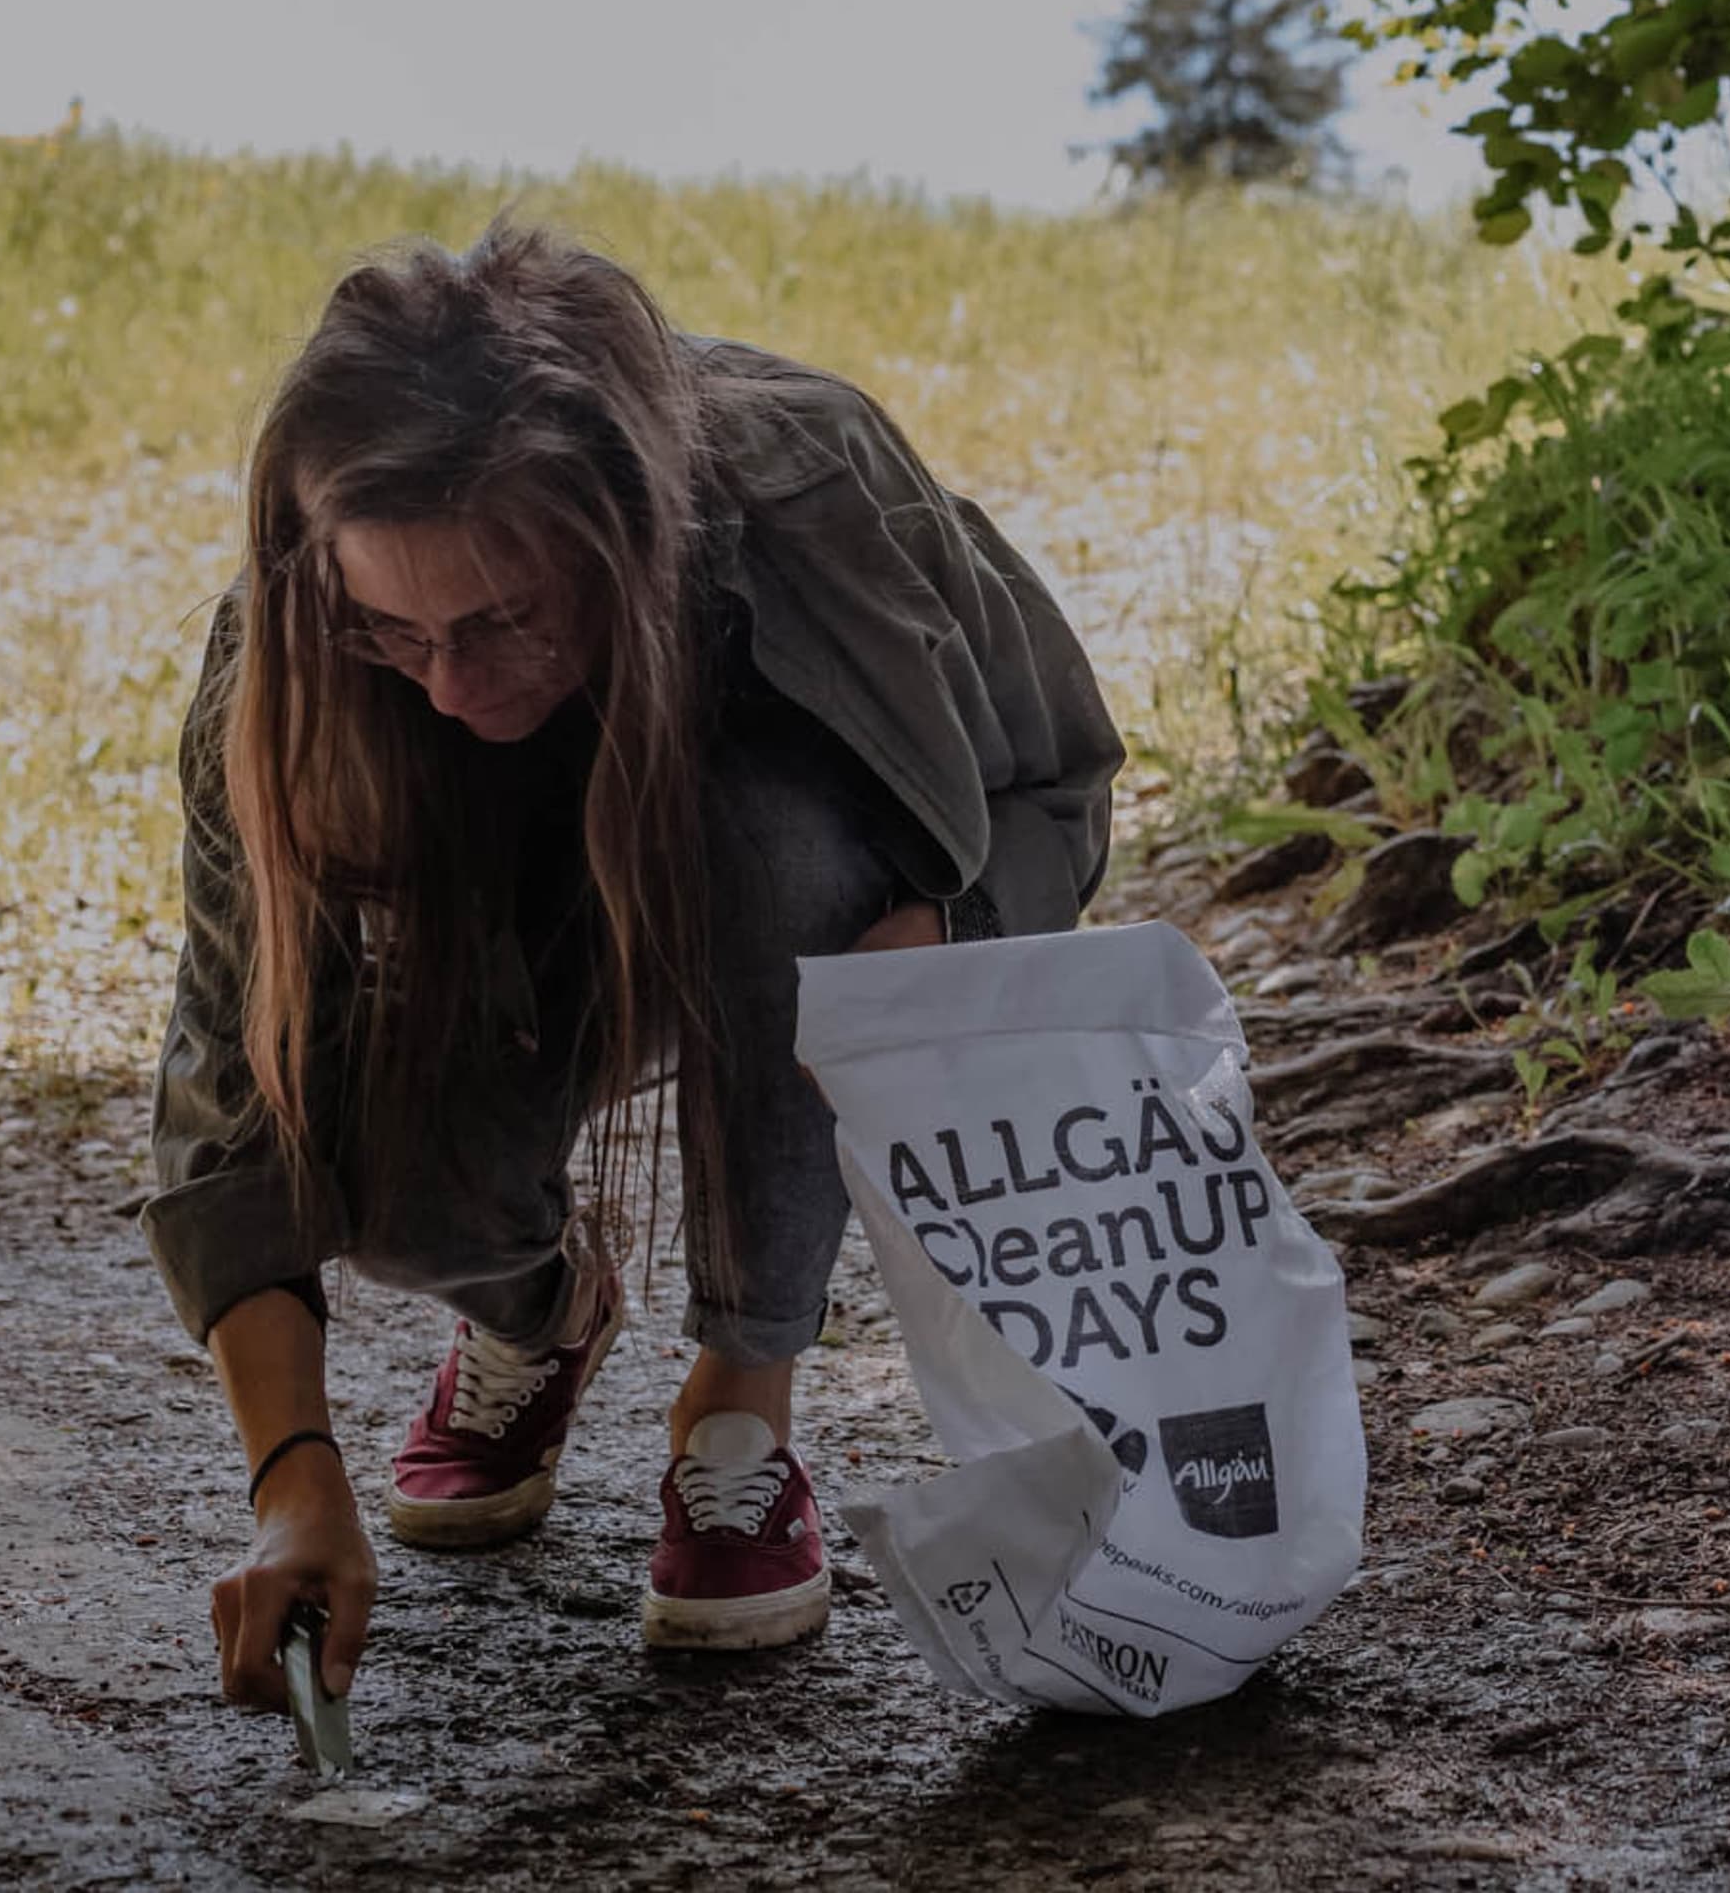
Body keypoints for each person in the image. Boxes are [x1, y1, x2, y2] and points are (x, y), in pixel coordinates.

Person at [138, 222, 1121, 1715]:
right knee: (388, 1181)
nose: (455, 691)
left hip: (770, 923)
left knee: (779, 849)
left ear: (623, 537)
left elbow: (1061, 778)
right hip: (512, 948)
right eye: (394, 634)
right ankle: (546, 1314)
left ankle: (741, 1402)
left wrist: (948, 937)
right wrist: (292, 1479)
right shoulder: (279, 658)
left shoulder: (816, 488)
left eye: (504, 621)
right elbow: (231, 1087)